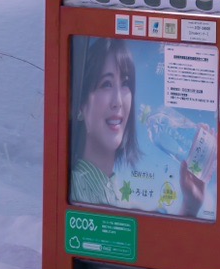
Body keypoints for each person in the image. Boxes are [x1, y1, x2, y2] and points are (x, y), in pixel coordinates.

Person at [70, 39, 207, 215]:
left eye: (125, 83)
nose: (118, 101)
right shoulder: (77, 188)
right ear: (80, 106)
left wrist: (190, 205)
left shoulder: (117, 190)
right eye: (106, 84)